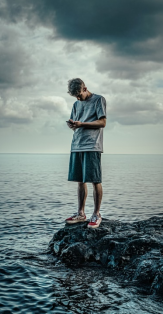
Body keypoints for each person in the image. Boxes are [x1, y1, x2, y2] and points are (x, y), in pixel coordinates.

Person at [65, 78, 106, 229]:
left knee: (95, 180)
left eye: (79, 95)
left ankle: (96, 214)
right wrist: (73, 124)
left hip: (92, 145)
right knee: (80, 180)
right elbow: (76, 124)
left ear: (85, 88)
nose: (77, 98)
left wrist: (82, 124)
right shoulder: (76, 104)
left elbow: (102, 122)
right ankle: (81, 213)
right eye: (74, 96)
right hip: (77, 144)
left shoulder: (98, 100)